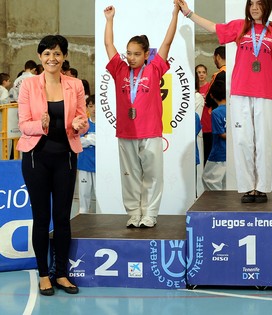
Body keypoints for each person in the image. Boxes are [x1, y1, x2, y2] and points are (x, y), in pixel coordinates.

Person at [177, 0, 272, 203]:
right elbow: (213, 26)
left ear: (266, 6)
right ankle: (247, 188)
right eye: (251, 3)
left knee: (262, 142)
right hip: (241, 93)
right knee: (243, 140)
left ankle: (261, 188)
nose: (254, 7)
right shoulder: (239, 26)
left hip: (266, 94)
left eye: (259, 3)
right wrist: (189, 13)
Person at [17, 35, 88, 296]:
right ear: (40, 57)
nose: (52, 58)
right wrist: (41, 125)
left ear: (65, 56)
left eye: (57, 53)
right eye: (47, 54)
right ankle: (43, 274)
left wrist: (81, 125)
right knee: (41, 218)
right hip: (36, 158)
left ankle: (61, 274)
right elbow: (23, 124)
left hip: (66, 157)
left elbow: (83, 119)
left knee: (62, 219)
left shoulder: (75, 84)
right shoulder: (28, 86)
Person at [103, 3, 181, 228]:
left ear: (147, 54)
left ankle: (150, 214)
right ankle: (134, 213)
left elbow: (167, 41)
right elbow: (109, 44)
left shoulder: (155, 68)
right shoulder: (119, 70)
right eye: (129, 53)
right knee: (130, 175)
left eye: (137, 54)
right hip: (126, 132)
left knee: (153, 176)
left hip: (150, 131)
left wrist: (175, 14)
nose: (131, 57)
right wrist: (110, 20)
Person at [202, 46, 226, 165]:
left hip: (219, 115)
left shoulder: (219, 75)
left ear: (217, 57)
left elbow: (208, 98)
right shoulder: (236, 72)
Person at [202, 79, 227, 190]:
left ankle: (219, 206)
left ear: (211, 95)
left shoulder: (216, 112)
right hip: (230, 153)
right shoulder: (233, 110)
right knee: (226, 182)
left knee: (208, 179)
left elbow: (221, 133)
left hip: (218, 153)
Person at [78, 95, 96, 213]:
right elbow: (78, 142)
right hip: (84, 164)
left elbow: (105, 141)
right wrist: (93, 139)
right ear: (87, 108)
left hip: (99, 165)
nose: (94, 109)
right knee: (83, 198)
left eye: (96, 106)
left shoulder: (107, 125)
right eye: (90, 106)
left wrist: (87, 138)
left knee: (101, 197)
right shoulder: (83, 124)